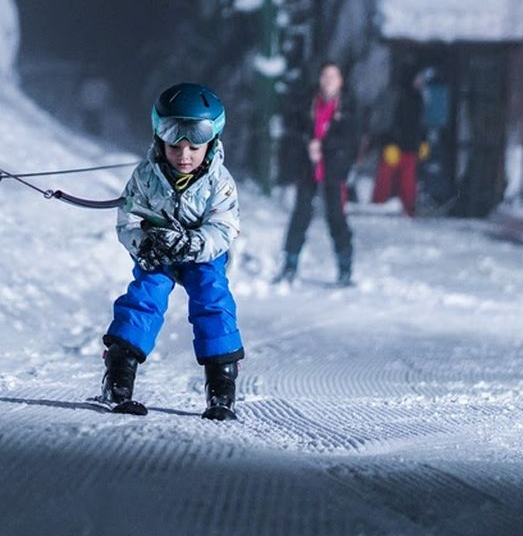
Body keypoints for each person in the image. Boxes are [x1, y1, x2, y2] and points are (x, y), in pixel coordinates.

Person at [98, 83, 245, 420]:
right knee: (146, 294)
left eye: (195, 147)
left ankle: (221, 383)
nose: (184, 156)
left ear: (211, 145)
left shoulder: (219, 181)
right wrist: (143, 242)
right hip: (160, 250)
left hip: (202, 254)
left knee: (212, 296)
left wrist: (196, 243)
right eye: (175, 146)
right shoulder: (146, 178)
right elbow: (127, 220)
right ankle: (120, 373)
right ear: (159, 139)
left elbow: (225, 227)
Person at [275, 62, 358, 285]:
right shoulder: (307, 102)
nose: (329, 80)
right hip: (308, 169)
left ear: (341, 80)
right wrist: (307, 145)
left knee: (336, 218)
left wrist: (323, 146)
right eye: (325, 75)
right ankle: (289, 264)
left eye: (333, 76)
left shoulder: (348, 106)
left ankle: (345, 267)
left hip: (333, 170)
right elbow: (294, 129)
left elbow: (351, 138)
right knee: (300, 215)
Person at [372, 69, 429, 216]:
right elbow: (387, 120)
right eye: (417, 79)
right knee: (385, 178)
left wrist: (423, 140)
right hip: (393, 146)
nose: (420, 82)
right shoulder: (396, 96)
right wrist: (388, 141)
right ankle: (379, 206)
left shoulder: (418, 98)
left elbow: (420, 123)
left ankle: (408, 208)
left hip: (410, 146)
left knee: (408, 181)